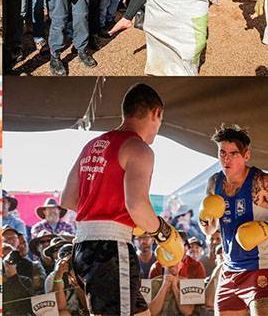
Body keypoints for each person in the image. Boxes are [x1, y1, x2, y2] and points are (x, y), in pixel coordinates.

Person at [61, 83, 185, 316]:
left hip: (83, 247)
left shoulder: (92, 145)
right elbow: (137, 205)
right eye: (160, 120)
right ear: (156, 113)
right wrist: (163, 233)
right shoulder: (138, 148)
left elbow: (67, 198)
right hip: (110, 250)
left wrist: (107, 210)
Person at [200, 124, 268, 315]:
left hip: (261, 268)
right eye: (222, 153)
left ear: (246, 155)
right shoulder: (214, 182)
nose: (226, 159)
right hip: (229, 270)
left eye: (233, 153)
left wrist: (267, 229)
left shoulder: (263, 182)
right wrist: (204, 217)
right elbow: (208, 230)